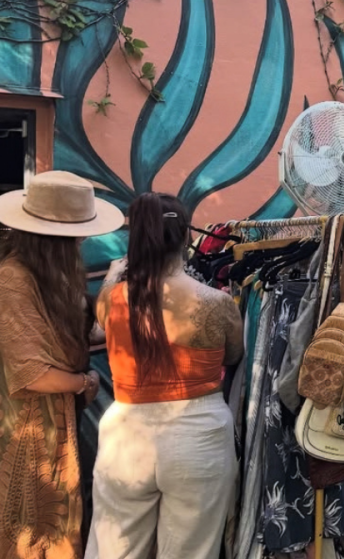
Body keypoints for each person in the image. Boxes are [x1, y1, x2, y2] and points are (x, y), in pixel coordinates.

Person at [86, 193, 243, 559]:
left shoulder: (111, 298)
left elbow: (100, 328)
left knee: (114, 548)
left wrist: (112, 276)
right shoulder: (216, 304)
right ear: (185, 236)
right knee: (191, 551)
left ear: (136, 238)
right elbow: (233, 355)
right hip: (199, 434)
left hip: (127, 435)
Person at [0, 171, 124, 558]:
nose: (83, 240)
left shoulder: (53, 274)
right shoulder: (13, 280)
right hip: (27, 424)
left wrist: (113, 290)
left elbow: (79, 335)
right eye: (76, 233)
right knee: (29, 527)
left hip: (56, 423)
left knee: (56, 527)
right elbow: (32, 373)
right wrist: (84, 382)